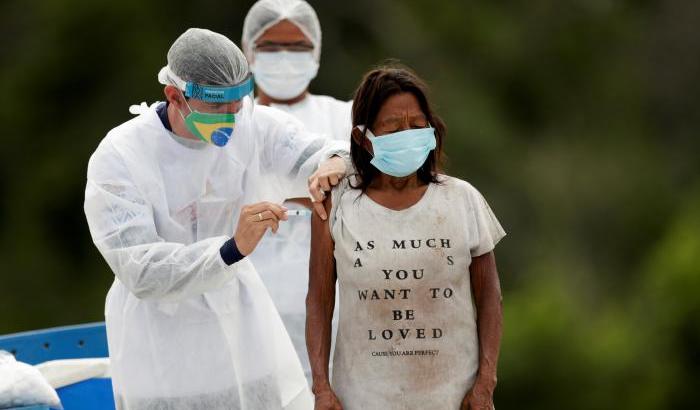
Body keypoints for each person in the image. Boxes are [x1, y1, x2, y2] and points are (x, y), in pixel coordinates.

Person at [84, 28, 349, 410]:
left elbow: (330, 151)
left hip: (241, 333)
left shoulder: (253, 127)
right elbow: (140, 269)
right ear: (175, 96)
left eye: (237, 103)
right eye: (216, 107)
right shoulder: (121, 156)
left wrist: (334, 164)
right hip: (161, 352)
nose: (230, 118)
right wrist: (229, 249)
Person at [306, 65, 506, 410]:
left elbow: (490, 297)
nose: (407, 134)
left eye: (416, 126)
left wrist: (485, 382)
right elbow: (319, 301)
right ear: (362, 138)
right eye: (393, 127)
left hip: (452, 398)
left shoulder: (462, 199)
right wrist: (321, 388)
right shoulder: (335, 204)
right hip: (364, 398)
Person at [241, 0, 351, 382]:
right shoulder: (231, 124)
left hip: (338, 317)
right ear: (248, 53)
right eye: (270, 47)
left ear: (316, 53)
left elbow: (368, 185)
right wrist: (315, 187)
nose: (284, 57)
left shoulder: (346, 116)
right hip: (251, 316)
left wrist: (279, 189)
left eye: (298, 47)